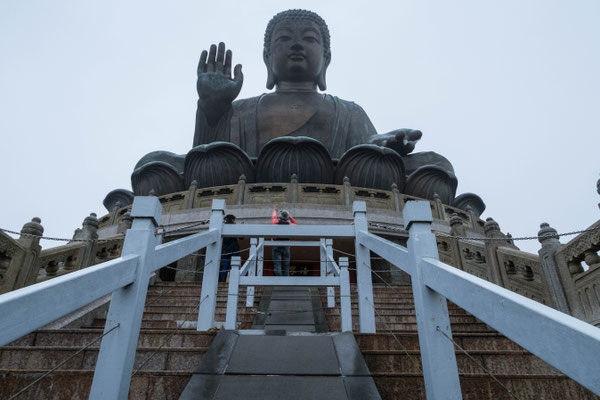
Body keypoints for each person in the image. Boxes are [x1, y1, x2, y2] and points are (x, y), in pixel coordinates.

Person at [193, 9, 424, 161]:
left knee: (435, 164)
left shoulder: (349, 112)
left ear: (327, 58)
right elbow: (207, 162)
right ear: (267, 57)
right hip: (249, 182)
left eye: (309, 39)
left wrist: (379, 147)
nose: (296, 45)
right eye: (284, 38)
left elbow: (364, 157)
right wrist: (213, 109)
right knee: (157, 161)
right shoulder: (239, 110)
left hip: (333, 184)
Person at [271, 205, 297, 276]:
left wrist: (275, 211)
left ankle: (279, 281)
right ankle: (286, 281)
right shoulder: (290, 225)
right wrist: (290, 217)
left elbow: (273, 218)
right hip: (286, 246)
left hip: (276, 245)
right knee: (286, 265)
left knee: (277, 264)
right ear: (287, 218)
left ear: (280, 217)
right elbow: (295, 223)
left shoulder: (276, 223)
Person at [219, 214, 239, 282]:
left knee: (225, 266)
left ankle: (223, 280)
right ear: (232, 220)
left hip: (225, 250)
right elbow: (242, 237)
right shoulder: (235, 227)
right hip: (234, 250)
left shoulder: (223, 227)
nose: (235, 221)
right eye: (235, 220)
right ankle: (233, 281)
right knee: (234, 266)